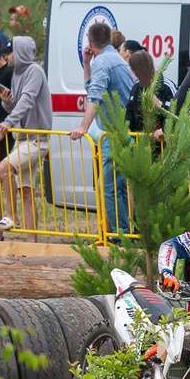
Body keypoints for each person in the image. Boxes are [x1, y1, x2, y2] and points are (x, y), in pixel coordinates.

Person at [70, 19, 137, 232]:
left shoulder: (104, 62)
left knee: (110, 188)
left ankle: (121, 236)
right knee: (120, 188)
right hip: (125, 130)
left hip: (115, 132)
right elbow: (94, 88)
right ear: (109, 39)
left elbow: (95, 95)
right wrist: (87, 64)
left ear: (89, 41)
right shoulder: (114, 58)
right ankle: (127, 232)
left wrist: (83, 127)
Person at [0, 35, 52, 229]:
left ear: (19, 53)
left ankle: (11, 216)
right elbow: (19, 107)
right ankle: (32, 242)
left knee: (4, 168)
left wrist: (7, 123)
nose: (7, 57)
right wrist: (7, 102)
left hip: (37, 140)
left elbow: (28, 100)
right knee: (26, 191)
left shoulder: (34, 71)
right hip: (22, 139)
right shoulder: (17, 74)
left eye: (9, 53)